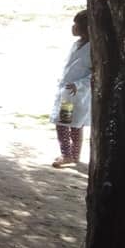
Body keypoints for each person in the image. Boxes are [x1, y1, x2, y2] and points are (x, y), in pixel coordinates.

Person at [51, 10, 91, 168]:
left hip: (77, 93)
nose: (73, 27)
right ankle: (71, 154)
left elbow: (94, 74)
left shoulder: (92, 48)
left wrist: (79, 85)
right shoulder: (77, 44)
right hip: (68, 92)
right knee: (70, 123)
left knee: (68, 124)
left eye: (77, 25)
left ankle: (69, 154)